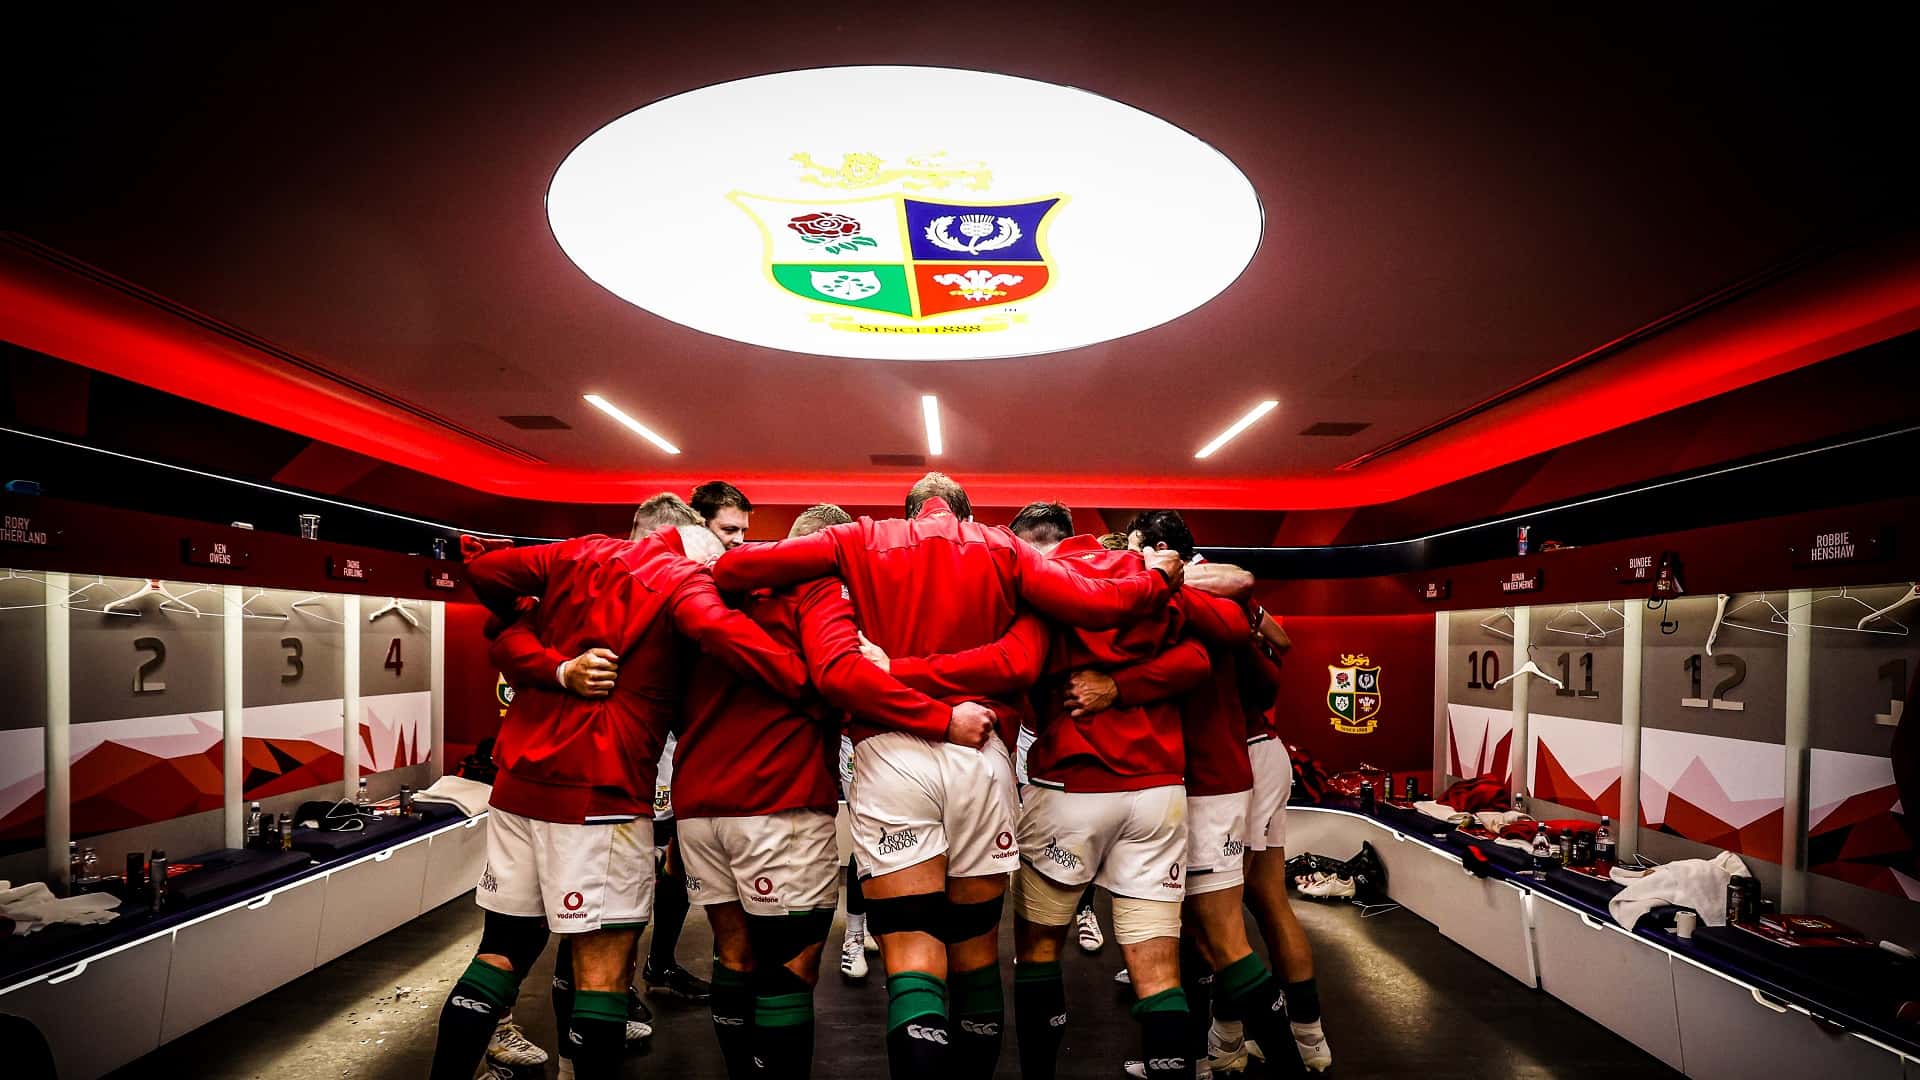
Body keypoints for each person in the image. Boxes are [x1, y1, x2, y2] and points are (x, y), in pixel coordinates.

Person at [713, 473, 1185, 1080]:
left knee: (911, 957)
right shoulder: (1001, 546)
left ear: (906, 512)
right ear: (967, 513)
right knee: (975, 954)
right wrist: (1157, 577)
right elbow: (1097, 605)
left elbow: (734, 571)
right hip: (983, 751)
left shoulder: (860, 538)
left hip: (890, 752)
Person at [431, 522, 808, 1080]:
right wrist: (809, 678)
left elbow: (494, 606)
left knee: (502, 948)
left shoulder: (579, 553)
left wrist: (557, 667)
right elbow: (719, 629)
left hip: (516, 790)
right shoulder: (685, 582)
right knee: (604, 973)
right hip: (599, 792)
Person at [1106, 511, 1307, 1080]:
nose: (1131, 559)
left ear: (1160, 551)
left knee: (1224, 938)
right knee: (1194, 931)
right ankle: (1202, 1053)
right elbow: (1266, 676)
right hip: (1197, 777)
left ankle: (1272, 1057)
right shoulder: (1210, 600)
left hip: (1207, 780)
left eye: (1137, 549)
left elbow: (1251, 666)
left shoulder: (1194, 600)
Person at [1209, 610, 1332, 1073]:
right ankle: (1309, 1040)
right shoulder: (1234, 607)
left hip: (1239, 760)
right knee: (1267, 900)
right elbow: (1282, 641)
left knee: (1221, 916)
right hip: (1264, 751)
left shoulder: (1197, 604)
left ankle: (1225, 1044)